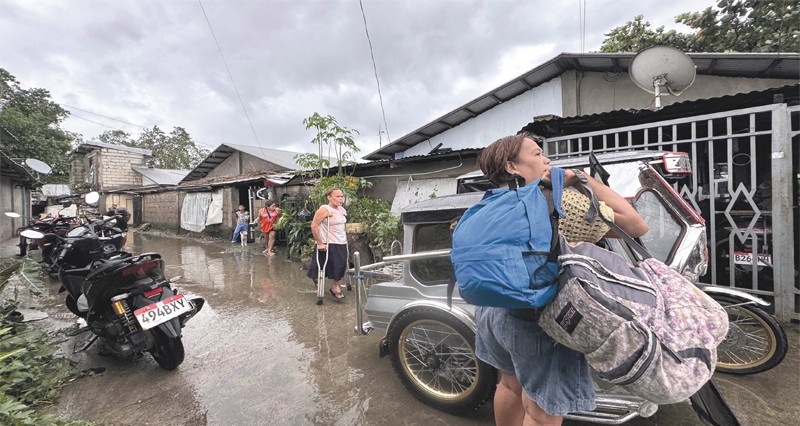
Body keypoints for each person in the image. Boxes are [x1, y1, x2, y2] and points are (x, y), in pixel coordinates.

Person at [473, 134, 648, 426]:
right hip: (538, 319)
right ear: (511, 166)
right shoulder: (560, 201)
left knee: (509, 384)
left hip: (492, 310)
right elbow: (636, 224)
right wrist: (581, 178)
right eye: (538, 153)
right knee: (543, 410)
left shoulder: (488, 203)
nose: (547, 160)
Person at [307, 188, 348, 300]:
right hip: (327, 241)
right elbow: (314, 225)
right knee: (319, 266)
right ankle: (317, 280)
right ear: (329, 197)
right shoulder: (324, 209)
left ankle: (335, 286)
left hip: (341, 241)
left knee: (340, 264)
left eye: (341, 196)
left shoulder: (341, 210)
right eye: (338, 196)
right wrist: (320, 243)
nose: (341, 199)